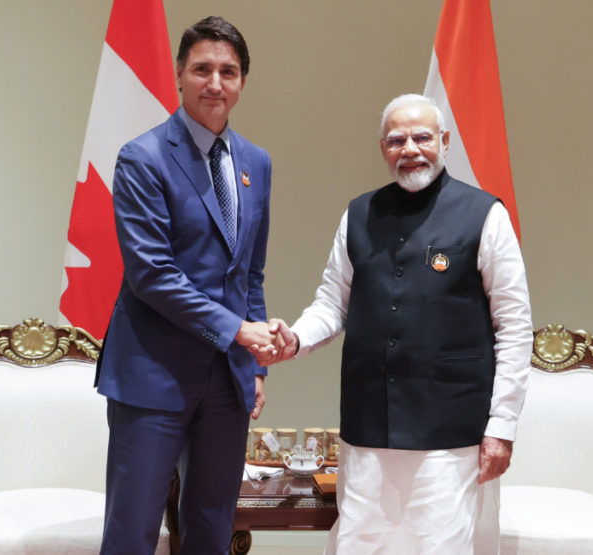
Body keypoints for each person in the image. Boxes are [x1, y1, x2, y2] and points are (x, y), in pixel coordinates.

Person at [258, 94, 533, 554]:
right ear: (382, 148)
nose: (410, 148)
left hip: (451, 432)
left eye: (422, 137)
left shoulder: (486, 215)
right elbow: (332, 303)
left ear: (444, 142)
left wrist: (501, 426)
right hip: (369, 427)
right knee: (363, 543)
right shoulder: (358, 215)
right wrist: (296, 338)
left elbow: (515, 325)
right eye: (396, 139)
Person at [95, 16, 276, 554]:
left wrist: (257, 364)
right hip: (153, 376)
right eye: (202, 69)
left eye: (228, 71)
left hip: (227, 381)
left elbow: (250, 273)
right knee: (133, 531)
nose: (214, 83)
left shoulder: (256, 163)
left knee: (212, 528)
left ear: (243, 80)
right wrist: (239, 331)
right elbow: (152, 274)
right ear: (180, 74)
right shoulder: (142, 157)